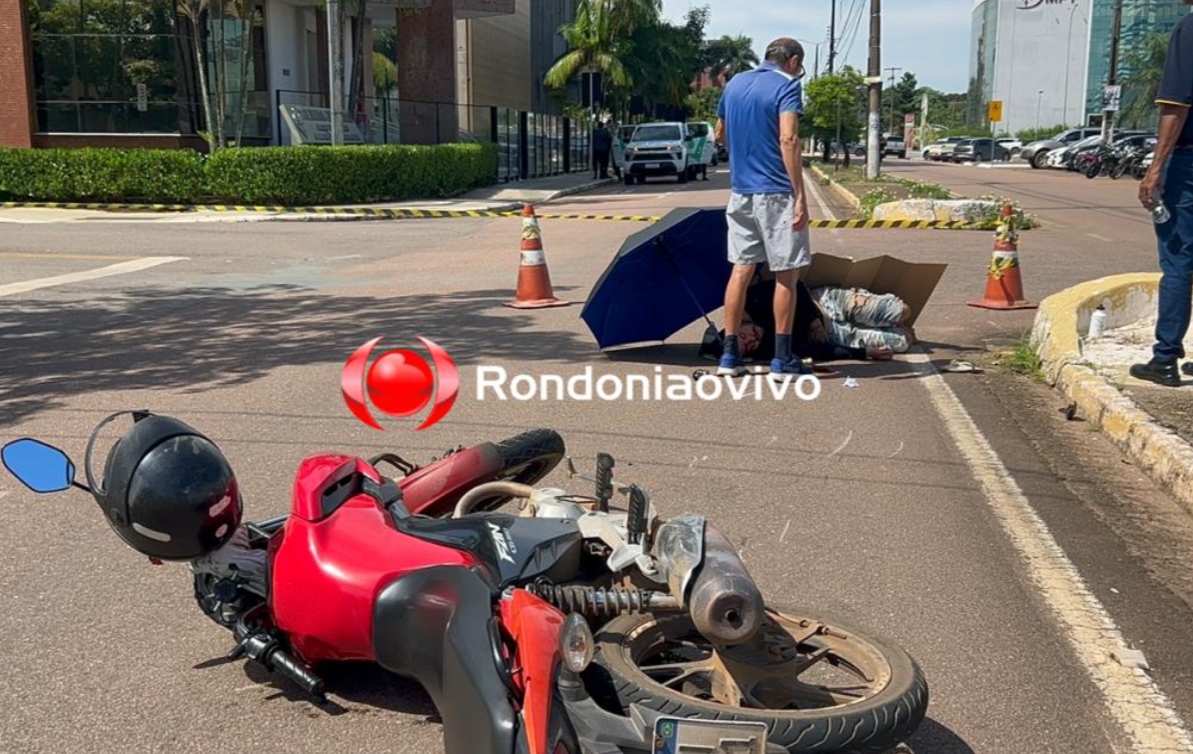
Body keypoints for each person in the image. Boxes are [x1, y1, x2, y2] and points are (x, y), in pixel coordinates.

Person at [715, 37, 811, 380]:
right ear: (793, 60)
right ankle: (782, 359)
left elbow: (720, 133)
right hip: (777, 193)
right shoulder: (787, 86)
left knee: (741, 270)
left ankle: (729, 356)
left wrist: (746, 154)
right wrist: (800, 194)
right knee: (786, 272)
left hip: (740, 192)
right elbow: (789, 138)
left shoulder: (736, 83)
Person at [1133, 2, 1193, 387]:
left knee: (1179, 259)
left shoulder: (1189, 30)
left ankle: (1165, 358)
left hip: (1188, 166)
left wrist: (1155, 168)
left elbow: (1176, 104)